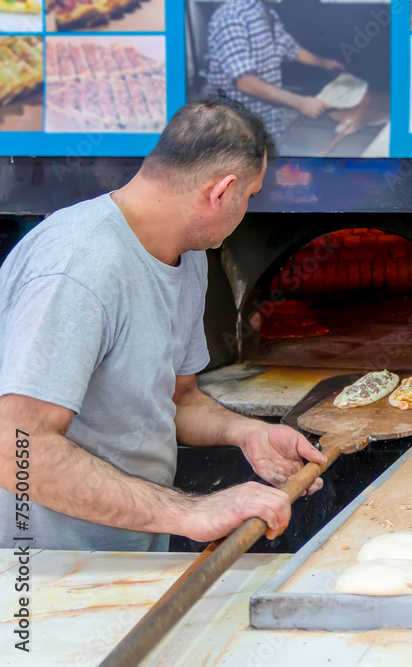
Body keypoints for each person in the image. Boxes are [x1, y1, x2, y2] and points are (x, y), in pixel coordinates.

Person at [0, 93, 327, 552]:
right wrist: (188, 511)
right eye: (249, 196)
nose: (247, 210)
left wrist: (248, 433)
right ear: (221, 191)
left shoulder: (187, 256)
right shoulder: (77, 267)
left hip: (132, 555)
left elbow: (179, 399)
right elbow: (18, 449)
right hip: (45, 577)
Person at [206, 0, 344, 139]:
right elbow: (245, 82)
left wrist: (325, 63)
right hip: (237, 128)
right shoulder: (231, 17)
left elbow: (292, 49)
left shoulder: (269, 15)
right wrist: (300, 102)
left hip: (267, 123)